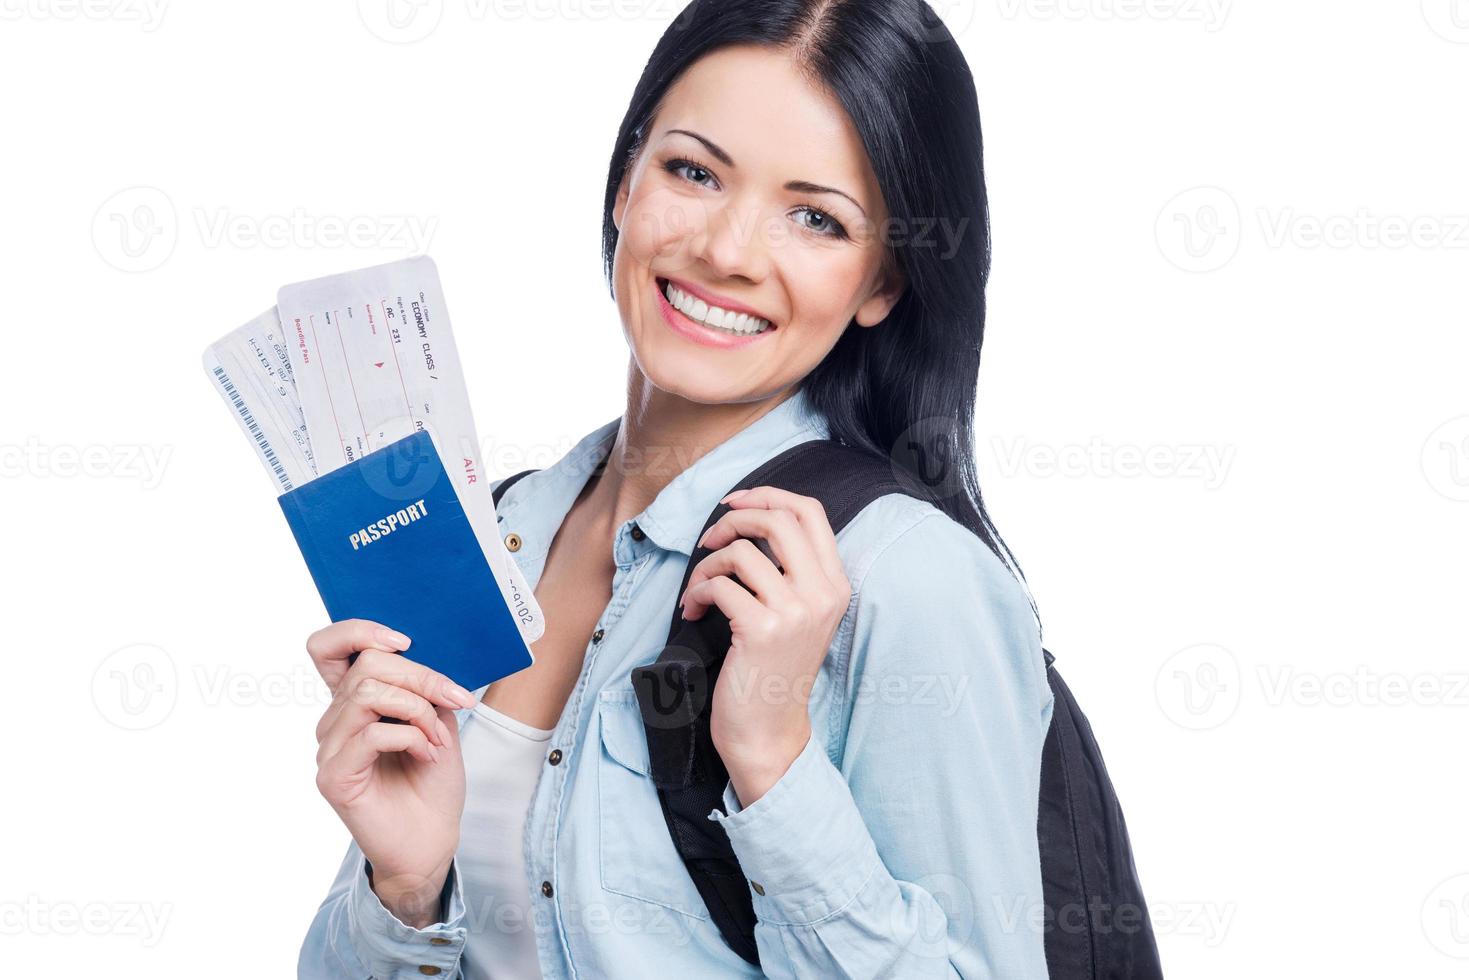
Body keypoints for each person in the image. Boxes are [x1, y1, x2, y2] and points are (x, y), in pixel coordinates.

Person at [298, 1, 1054, 976]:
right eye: (692, 171)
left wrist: (773, 767)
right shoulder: (501, 531)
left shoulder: (907, 581)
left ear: (882, 282)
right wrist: (403, 893)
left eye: (816, 217)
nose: (727, 251)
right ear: (624, 182)